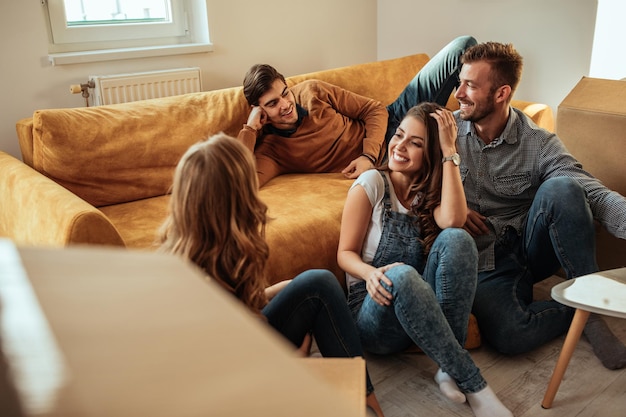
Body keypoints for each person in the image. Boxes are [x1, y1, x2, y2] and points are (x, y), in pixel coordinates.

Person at [159, 133, 385, 416]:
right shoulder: (195, 285)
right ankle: (364, 404)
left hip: (240, 356)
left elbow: (239, 308)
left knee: (316, 283)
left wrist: (284, 288)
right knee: (319, 286)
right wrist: (297, 358)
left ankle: (363, 401)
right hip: (228, 388)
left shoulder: (201, 251)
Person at [454, 41, 626, 369]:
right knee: (510, 336)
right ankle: (576, 310)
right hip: (484, 257)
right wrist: (448, 210)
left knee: (564, 188)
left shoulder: (539, 143)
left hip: (530, 245)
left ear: (501, 93)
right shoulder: (445, 131)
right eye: (460, 81)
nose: (459, 92)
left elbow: (595, 194)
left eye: (471, 85)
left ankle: (588, 311)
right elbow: (410, 182)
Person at [338, 102, 513, 417]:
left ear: (429, 156)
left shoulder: (425, 194)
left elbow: (455, 220)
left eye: (415, 143)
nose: (400, 146)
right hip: (370, 312)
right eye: (399, 135)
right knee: (402, 274)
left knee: (457, 239)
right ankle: (475, 385)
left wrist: (449, 149)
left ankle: (447, 369)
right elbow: (344, 254)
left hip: (417, 314)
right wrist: (369, 274)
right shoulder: (371, 185)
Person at [238, 36, 478, 186]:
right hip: (390, 156)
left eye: (285, 93)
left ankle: (470, 130)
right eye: (272, 104)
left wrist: (367, 156)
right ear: (259, 111)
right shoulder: (272, 151)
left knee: (462, 46)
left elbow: (374, 110)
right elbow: (241, 181)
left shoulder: (312, 91)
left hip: (394, 118)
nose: (285, 104)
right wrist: (250, 129)